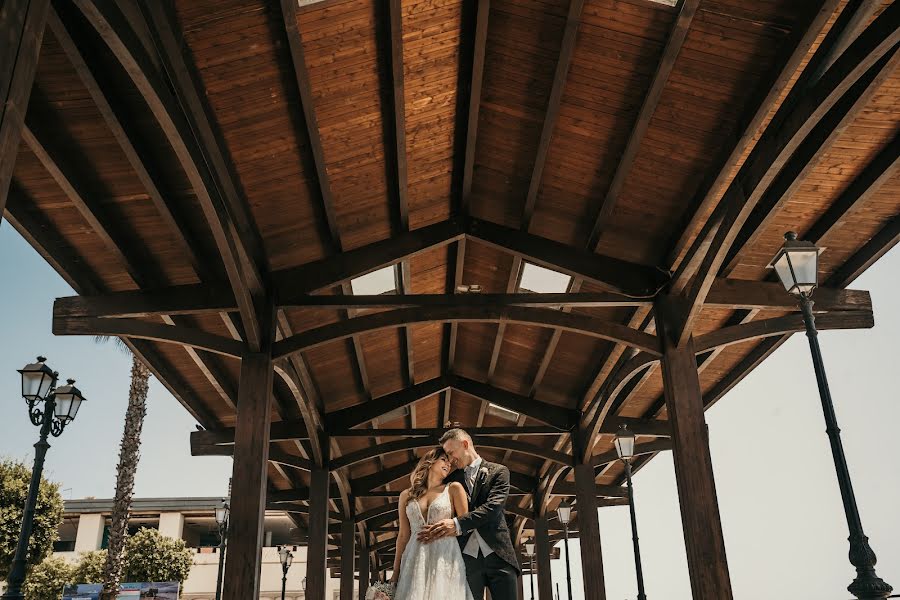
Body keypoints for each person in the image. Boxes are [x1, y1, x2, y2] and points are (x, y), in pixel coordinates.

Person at [418, 428, 521, 600]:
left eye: (451, 453)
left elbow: (493, 508)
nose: (450, 460)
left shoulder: (499, 472)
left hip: (500, 555)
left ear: (465, 444)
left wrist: (457, 524)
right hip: (465, 561)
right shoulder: (450, 482)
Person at [391, 447, 473, 600]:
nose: (448, 464)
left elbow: (465, 525)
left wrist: (448, 527)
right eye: (444, 459)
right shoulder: (406, 496)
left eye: (450, 463)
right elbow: (403, 536)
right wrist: (395, 573)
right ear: (430, 462)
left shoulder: (454, 489)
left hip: (445, 556)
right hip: (414, 558)